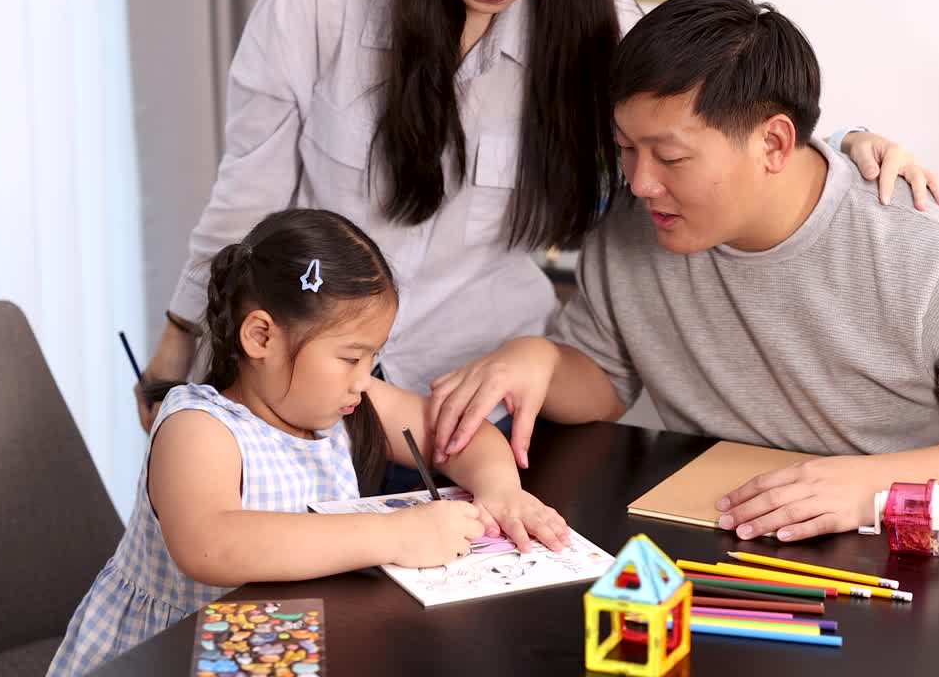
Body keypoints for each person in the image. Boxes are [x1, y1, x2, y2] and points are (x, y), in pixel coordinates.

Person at [136, 0, 939, 460]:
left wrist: (849, 140)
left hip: (481, 402)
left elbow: (725, 119)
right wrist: (179, 343)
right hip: (313, 390)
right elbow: (247, 190)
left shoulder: (596, 23)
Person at [426, 0, 939, 542]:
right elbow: (606, 376)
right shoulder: (636, 229)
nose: (639, 182)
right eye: (626, 149)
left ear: (774, 144)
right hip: (724, 542)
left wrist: (870, 486)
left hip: (902, 557)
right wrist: (539, 361)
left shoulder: (928, 250)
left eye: (669, 157)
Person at [49, 209, 567, 676]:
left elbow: (458, 430)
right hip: (168, 652)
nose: (365, 378)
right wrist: (392, 534)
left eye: (372, 358)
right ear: (261, 338)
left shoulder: (347, 401)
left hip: (281, 642)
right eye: (350, 358)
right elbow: (211, 545)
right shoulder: (198, 427)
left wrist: (501, 488)